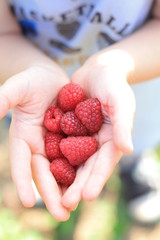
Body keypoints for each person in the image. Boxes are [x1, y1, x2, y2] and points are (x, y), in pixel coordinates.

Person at [0, 0, 160, 222]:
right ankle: (40, 175)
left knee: (128, 132)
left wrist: (116, 64)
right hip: (33, 96)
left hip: (131, 78)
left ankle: (133, 168)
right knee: (32, 132)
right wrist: (30, 66)